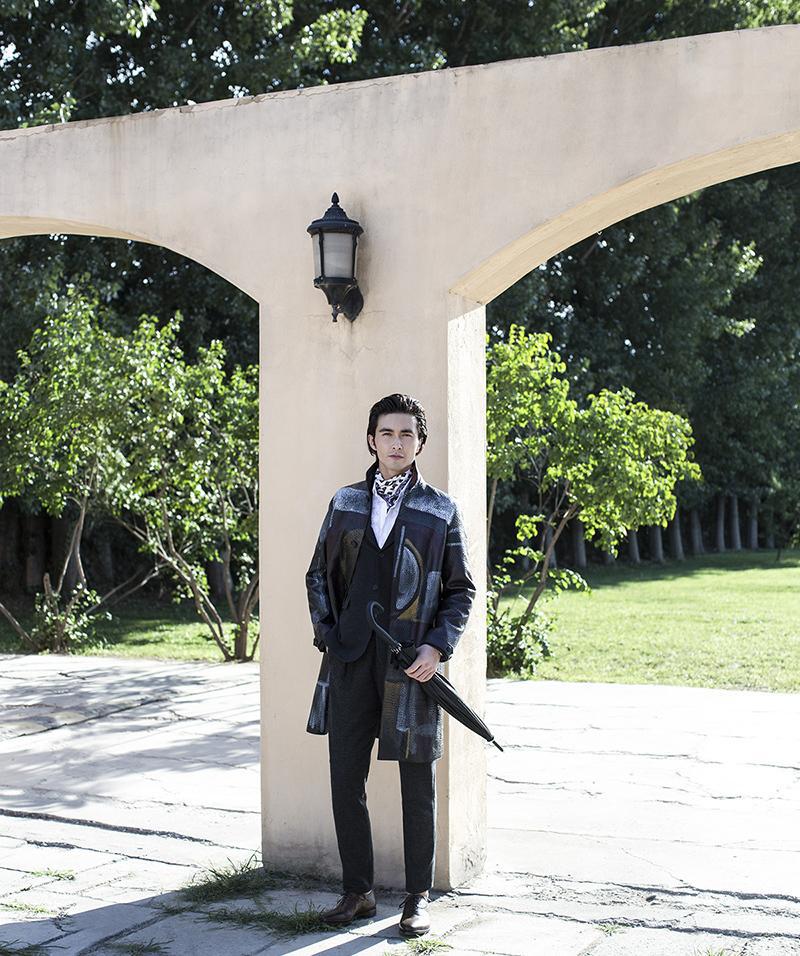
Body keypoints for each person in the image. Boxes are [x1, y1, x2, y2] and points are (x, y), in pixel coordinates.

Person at [305, 392, 476, 937]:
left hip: (411, 665)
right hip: (350, 658)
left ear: (420, 443)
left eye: (407, 434)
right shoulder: (345, 502)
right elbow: (317, 574)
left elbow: (461, 589)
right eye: (387, 433)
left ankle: (417, 898)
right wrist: (329, 635)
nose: (396, 443)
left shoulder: (439, 510)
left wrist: (436, 648)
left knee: (416, 783)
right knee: (344, 778)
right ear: (371, 440)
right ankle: (358, 892)